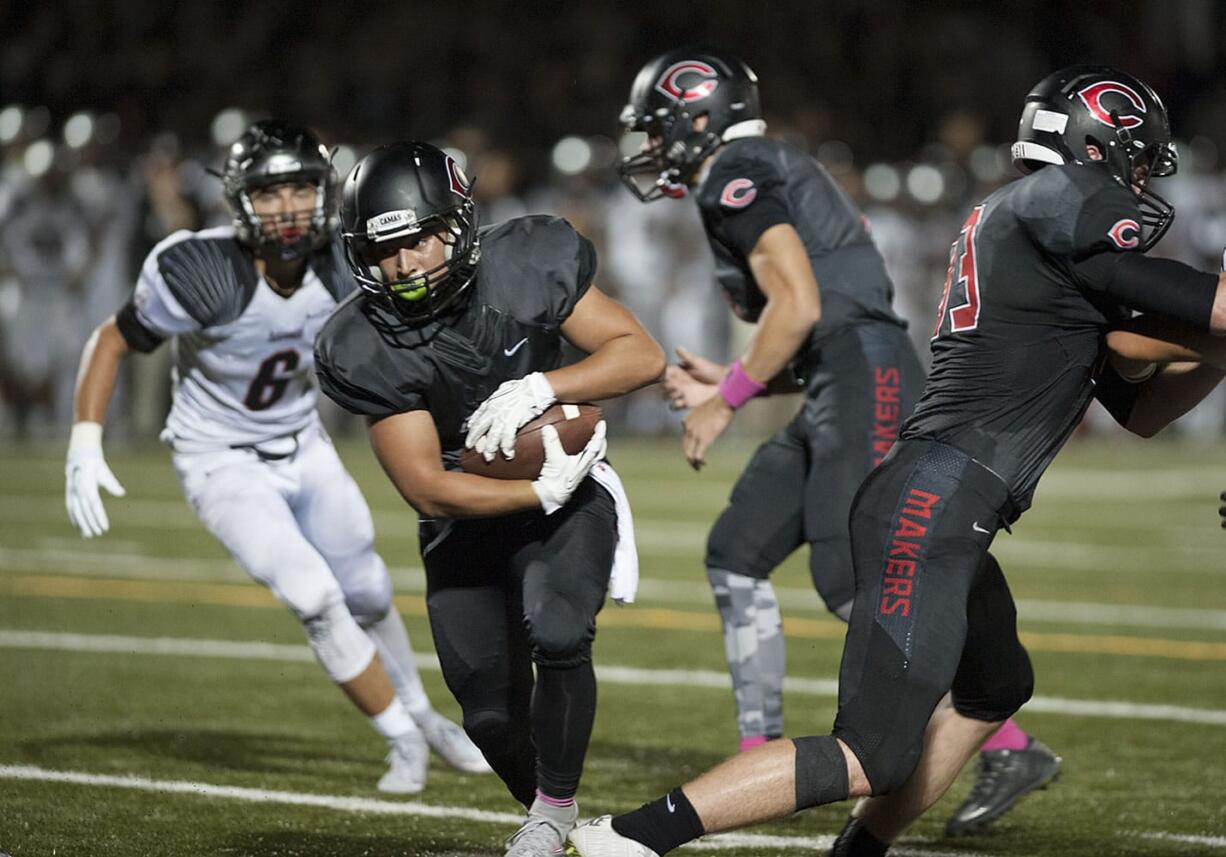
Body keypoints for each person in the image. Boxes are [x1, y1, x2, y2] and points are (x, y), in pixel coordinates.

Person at [572, 64, 1226, 857]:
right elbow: (1191, 306)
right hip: (937, 498)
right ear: (1097, 147)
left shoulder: (1031, 228)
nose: (1135, 181)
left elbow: (1142, 403)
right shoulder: (1058, 201)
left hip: (947, 490)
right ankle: (626, 839)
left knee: (995, 687)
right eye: (1132, 157)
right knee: (871, 750)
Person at [618, 46, 1057, 837]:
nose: (650, 146)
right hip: (838, 373)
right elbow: (819, 319)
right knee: (737, 548)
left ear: (695, 117)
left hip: (860, 371)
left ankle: (1006, 739)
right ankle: (760, 749)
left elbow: (800, 304)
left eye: (657, 127)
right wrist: (731, 382)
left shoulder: (735, 169)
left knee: (852, 570)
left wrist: (726, 403)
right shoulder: (762, 166)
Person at [64, 120, 489, 796]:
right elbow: (114, 339)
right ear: (240, 201)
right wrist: (86, 437)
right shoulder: (199, 269)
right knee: (316, 598)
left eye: (299, 189)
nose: (287, 207)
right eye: (269, 192)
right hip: (221, 459)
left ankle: (423, 715)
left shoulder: (343, 261)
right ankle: (404, 738)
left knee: (371, 590)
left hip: (304, 444)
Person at [312, 141, 665, 857]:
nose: (405, 264)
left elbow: (640, 354)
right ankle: (555, 810)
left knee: (559, 627)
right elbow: (426, 486)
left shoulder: (527, 260)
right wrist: (533, 485)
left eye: (416, 239)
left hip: (568, 497)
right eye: (384, 251)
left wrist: (545, 387)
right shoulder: (363, 341)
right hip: (468, 512)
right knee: (489, 715)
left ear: (457, 223)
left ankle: (552, 812)